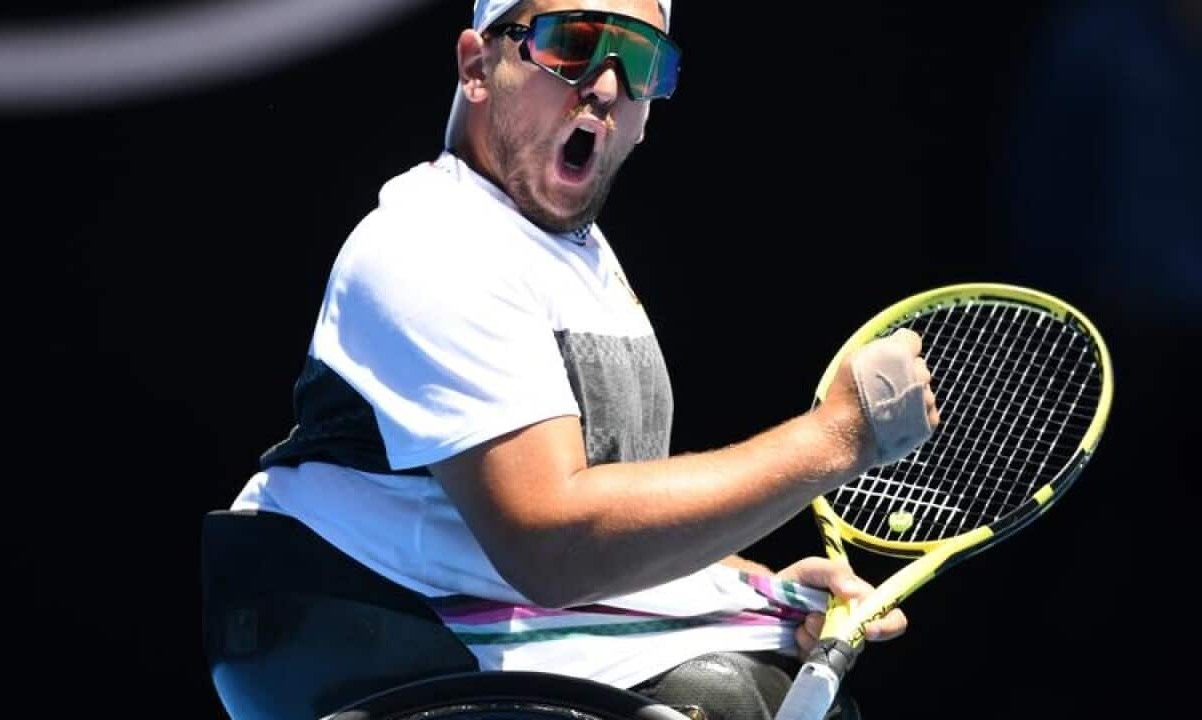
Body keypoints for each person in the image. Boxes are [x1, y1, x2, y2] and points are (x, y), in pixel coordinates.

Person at [209, 1, 941, 719]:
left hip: (483, 631)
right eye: (573, 42)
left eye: (642, 63)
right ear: (476, 66)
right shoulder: (431, 242)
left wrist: (744, 587)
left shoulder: (577, 260)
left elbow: (591, 517)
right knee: (730, 699)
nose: (606, 84)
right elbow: (552, 543)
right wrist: (836, 437)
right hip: (370, 644)